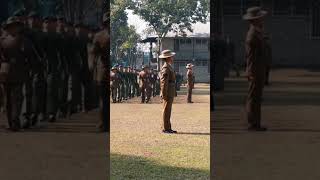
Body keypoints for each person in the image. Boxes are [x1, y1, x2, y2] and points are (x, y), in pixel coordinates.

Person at [0, 17, 28, 131]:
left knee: (16, 98)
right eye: (12, 26)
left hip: (16, 72)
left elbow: (29, 55)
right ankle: (11, 122)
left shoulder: (23, 40)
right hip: (7, 73)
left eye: (16, 26)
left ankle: (14, 122)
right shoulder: (3, 40)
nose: (14, 28)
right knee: (9, 99)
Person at [243, 7, 268, 131]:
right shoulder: (253, 35)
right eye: (260, 18)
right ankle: (253, 123)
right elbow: (251, 57)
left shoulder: (257, 32)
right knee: (253, 97)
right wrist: (251, 71)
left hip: (258, 69)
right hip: (255, 70)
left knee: (257, 97)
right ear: (256, 20)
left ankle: (256, 122)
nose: (263, 20)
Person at [92, 12, 109, 132]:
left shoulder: (99, 36)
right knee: (104, 99)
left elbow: (93, 55)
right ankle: (103, 123)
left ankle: (104, 123)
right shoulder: (99, 36)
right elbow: (94, 55)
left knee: (104, 99)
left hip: (103, 71)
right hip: (103, 71)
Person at [159, 49, 177, 134]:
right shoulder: (166, 67)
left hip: (170, 90)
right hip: (167, 91)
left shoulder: (168, 66)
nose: (172, 57)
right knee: (166, 109)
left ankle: (168, 127)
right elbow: (163, 82)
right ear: (168, 58)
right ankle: (165, 128)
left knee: (168, 110)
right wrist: (164, 93)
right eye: (171, 56)